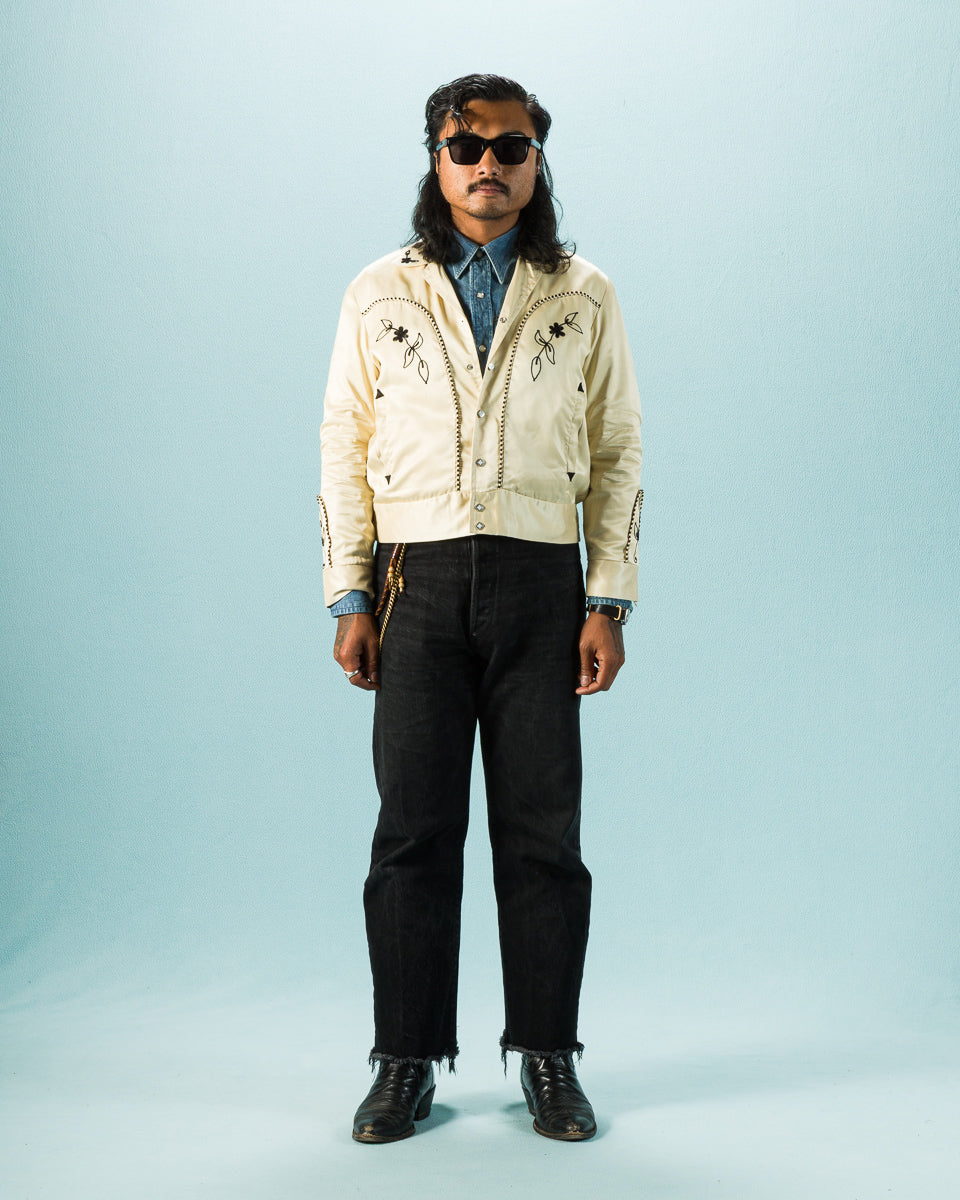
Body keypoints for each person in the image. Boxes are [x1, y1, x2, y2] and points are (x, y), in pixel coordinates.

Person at [318, 73, 642, 1144]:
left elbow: (616, 447)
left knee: (543, 833)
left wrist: (608, 600)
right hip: (413, 584)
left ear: (538, 159)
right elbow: (345, 444)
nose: (488, 166)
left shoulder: (582, 293)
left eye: (511, 147)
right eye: (466, 147)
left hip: (543, 585)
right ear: (436, 158)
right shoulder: (380, 293)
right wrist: (350, 594)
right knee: (413, 831)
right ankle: (404, 1060)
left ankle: (548, 1053)